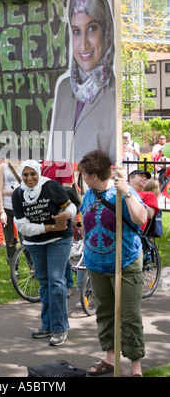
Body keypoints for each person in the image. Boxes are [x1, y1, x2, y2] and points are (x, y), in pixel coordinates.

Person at [78, 150, 147, 377]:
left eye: (85, 175)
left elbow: (141, 218)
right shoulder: (89, 194)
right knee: (105, 313)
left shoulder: (121, 193)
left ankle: (135, 366)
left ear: (96, 175)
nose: (83, 179)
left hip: (125, 263)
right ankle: (110, 358)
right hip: (96, 265)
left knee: (129, 317)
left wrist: (127, 191)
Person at [47, 0, 115, 164]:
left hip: (95, 186)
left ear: (106, 30)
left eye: (92, 28)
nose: (83, 44)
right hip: (63, 184)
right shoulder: (64, 88)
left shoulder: (113, 92)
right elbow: (56, 152)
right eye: (76, 31)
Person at [12, 159, 77, 346]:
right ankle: (47, 324)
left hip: (60, 239)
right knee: (45, 282)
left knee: (56, 280)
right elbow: (23, 226)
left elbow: (71, 206)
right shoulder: (18, 194)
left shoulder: (51, 186)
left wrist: (65, 215)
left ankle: (60, 327)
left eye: (33, 174)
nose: (29, 178)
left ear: (38, 173)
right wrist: (50, 227)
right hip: (36, 242)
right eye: (25, 174)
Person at [41, 161, 75, 294]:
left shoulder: (64, 163)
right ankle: (53, 283)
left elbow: (67, 189)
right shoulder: (45, 161)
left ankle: (67, 283)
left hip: (60, 208)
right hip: (45, 208)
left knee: (60, 246)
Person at [0, 159, 22, 266]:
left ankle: (33, 267)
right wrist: (2, 211)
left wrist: (10, 192)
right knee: (9, 241)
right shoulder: (3, 166)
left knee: (26, 239)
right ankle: (14, 270)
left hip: (21, 208)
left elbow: (27, 187)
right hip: (7, 207)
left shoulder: (25, 165)